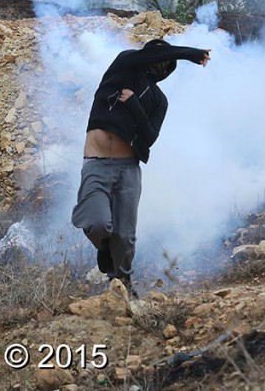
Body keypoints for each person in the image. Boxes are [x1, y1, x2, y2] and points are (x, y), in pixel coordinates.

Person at [71, 38, 210, 295]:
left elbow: (149, 137)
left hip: (129, 168)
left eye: (165, 60)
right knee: (97, 222)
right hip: (96, 162)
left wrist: (134, 104)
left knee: (125, 236)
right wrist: (192, 54)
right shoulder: (123, 66)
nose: (159, 63)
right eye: (155, 57)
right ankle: (103, 247)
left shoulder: (159, 100)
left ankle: (122, 283)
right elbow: (143, 58)